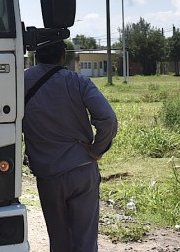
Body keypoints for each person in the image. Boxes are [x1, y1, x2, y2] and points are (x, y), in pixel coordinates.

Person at [23, 40, 118, 251]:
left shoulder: (19, 82)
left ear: (36, 57)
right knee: (85, 239)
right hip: (81, 170)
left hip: (47, 175)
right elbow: (108, 119)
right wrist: (96, 149)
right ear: (63, 56)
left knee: (59, 240)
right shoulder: (78, 81)